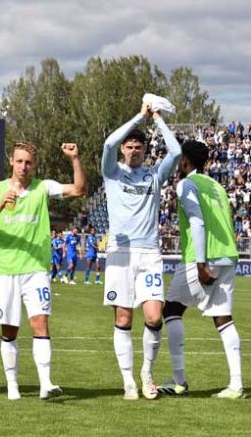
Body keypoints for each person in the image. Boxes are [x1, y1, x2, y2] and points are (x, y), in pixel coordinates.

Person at [0, 142, 86, 400]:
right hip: (6, 270)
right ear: (12, 163)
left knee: (40, 323)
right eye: (19, 161)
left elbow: (79, 190)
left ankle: (45, 383)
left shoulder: (43, 187)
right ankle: (12, 385)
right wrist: (0, 205)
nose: (23, 166)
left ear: (34, 165)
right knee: (9, 330)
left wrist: (74, 159)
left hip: (36, 269)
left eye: (28, 162)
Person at [101, 102, 181, 400]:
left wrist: (156, 117)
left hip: (149, 253)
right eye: (129, 146)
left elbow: (174, 152)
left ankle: (147, 371)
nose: (133, 151)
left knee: (153, 317)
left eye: (138, 147)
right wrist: (139, 115)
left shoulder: (153, 176)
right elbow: (109, 142)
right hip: (120, 253)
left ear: (145, 150)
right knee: (123, 318)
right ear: (123, 149)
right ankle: (128, 381)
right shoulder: (112, 172)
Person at [158, 140, 244, 399]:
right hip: (228, 255)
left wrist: (200, 263)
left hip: (204, 256)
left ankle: (179, 380)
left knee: (171, 309)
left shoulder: (187, 183)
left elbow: (197, 221)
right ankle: (236, 385)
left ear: (184, 160)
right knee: (223, 318)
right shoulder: (216, 185)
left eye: (178, 159)